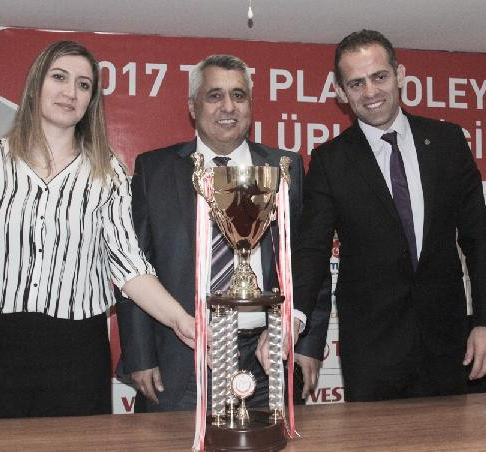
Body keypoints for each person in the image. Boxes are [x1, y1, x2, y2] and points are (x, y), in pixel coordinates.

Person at [0, 40, 195, 420]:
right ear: (35, 85)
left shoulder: (107, 172)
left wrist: (181, 320)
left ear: (91, 100)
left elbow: (130, 268)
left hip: (77, 355)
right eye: (59, 77)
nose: (71, 92)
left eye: (83, 85)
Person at [289, 30, 486, 401]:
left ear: (400, 75)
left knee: (450, 433)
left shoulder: (449, 142)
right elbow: (312, 250)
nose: (370, 92)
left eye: (379, 76)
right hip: (371, 351)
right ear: (340, 92)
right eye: (356, 83)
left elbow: (479, 238)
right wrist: (294, 319)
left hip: (447, 342)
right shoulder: (329, 161)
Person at [115, 54, 327, 412]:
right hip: (181, 356)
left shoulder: (284, 168)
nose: (228, 106)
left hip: (268, 353)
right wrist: (140, 355)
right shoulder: (155, 170)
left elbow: (309, 259)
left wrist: (307, 343)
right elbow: (132, 264)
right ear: (192, 107)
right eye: (215, 95)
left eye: (238, 95)